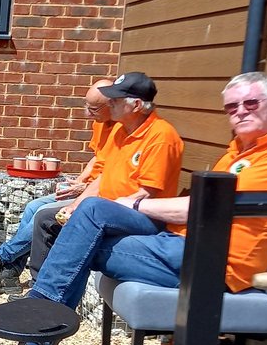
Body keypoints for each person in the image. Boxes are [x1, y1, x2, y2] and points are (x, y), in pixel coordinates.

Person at [0, 71, 267, 345]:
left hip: (214, 263)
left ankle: (35, 329)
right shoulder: (236, 155)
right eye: (231, 106)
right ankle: (38, 337)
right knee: (82, 231)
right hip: (181, 245)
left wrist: (132, 202)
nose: (239, 112)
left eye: (250, 104)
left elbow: (202, 210)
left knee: (88, 223)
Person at [0, 79, 121, 293]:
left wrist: (82, 191)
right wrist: (80, 181)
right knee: (33, 206)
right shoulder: (101, 122)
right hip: (87, 189)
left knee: (42, 213)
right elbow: (96, 159)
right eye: (86, 106)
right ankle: (9, 274)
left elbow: (112, 175)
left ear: (112, 104)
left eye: (94, 108)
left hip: (100, 196)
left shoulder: (122, 128)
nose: (88, 114)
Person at [26, 71, 184, 280]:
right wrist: (75, 206)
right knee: (50, 219)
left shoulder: (161, 136)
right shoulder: (120, 131)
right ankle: (44, 288)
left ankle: (44, 295)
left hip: (144, 217)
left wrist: (93, 208)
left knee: (86, 218)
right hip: (108, 209)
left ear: (136, 105)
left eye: (116, 100)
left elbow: (147, 195)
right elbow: (102, 178)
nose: (110, 104)